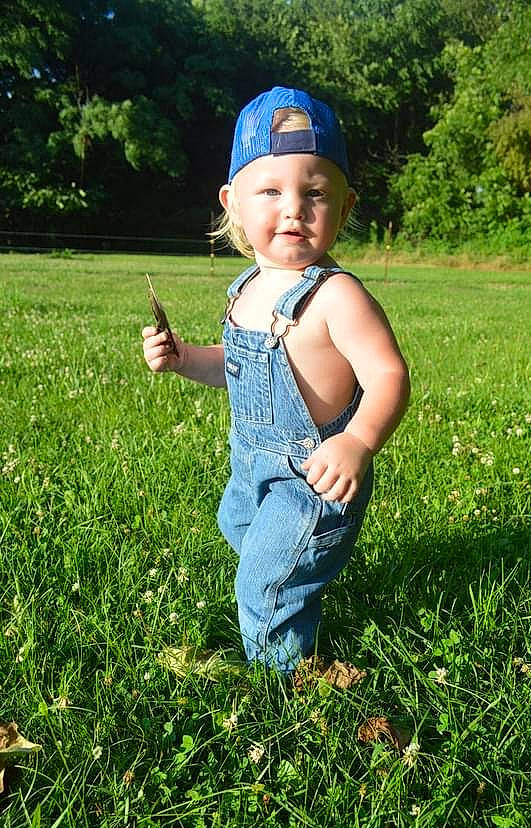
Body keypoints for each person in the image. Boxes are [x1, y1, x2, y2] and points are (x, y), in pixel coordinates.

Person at [142, 86, 410, 674]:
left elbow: (389, 374)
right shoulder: (247, 288)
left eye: (315, 193)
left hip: (314, 475)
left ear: (344, 206)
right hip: (250, 463)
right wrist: (185, 359)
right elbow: (238, 367)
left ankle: (285, 679)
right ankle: (295, 583)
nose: (293, 209)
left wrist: (358, 440)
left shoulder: (338, 296)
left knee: (264, 581)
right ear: (233, 202)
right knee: (240, 530)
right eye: (270, 191)